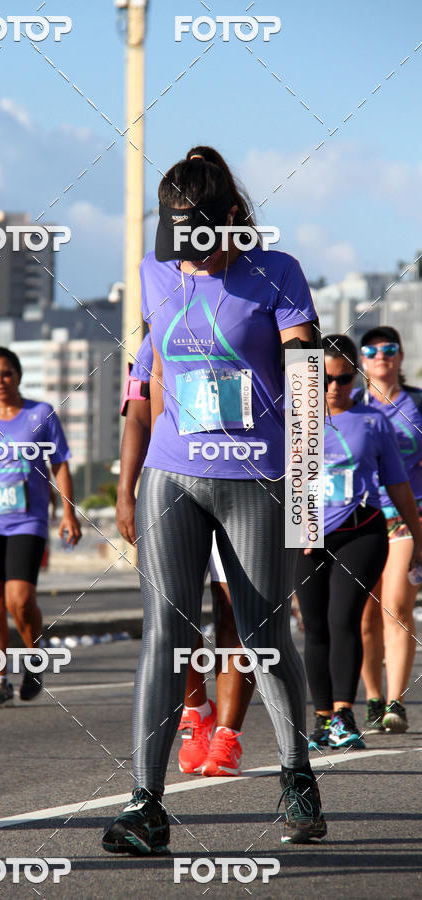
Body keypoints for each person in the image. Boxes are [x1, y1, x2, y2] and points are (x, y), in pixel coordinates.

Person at [103, 145, 327, 855]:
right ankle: (146, 804)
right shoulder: (154, 272)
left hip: (255, 478)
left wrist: (306, 495)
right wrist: (128, 478)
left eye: (199, 241)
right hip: (174, 475)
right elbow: (150, 379)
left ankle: (296, 775)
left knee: (261, 638)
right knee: (166, 637)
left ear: (232, 218)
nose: (188, 259)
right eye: (178, 243)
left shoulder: (277, 275)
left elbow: (305, 387)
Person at [118, 332, 254, 778]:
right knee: (176, 617)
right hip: (174, 488)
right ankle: (197, 712)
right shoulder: (158, 333)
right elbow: (138, 418)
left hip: (244, 486)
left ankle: (227, 738)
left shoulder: (255, 320)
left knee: (237, 615)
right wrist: (126, 494)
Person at [295, 335, 420, 752]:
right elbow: (279, 481)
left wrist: (418, 537)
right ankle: (321, 717)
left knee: (343, 617)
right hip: (305, 535)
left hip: (362, 530)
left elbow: (398, 484)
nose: (334, 388)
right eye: (325, 379)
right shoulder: (292, 419)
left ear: (356, 376)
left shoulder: (373, 421)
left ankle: (345, 714)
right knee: (314, 628)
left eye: (344, 378)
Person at [0, 346, 82, 707]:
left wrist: (69, 513)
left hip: (28, 518)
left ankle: (34, 657)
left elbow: (59, 466)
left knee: (20, 599)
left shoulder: (40, 414)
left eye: (6, 373)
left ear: (18, 374)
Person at [358, 326, 422, 733]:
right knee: (363, 616)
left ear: (400, 356)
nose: (382, 356)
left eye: (390, 349)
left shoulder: (418, 403)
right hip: (359, 518)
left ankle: (396, 700)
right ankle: (373, 697)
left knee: (396, 606)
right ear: (361, 361)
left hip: (409, 516)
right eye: (373, 350)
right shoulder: (347, 405)